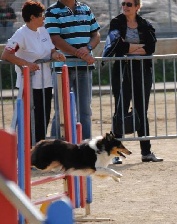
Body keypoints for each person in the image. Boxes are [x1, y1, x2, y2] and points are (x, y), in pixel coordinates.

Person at [103, 0, 162, 164]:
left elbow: (150, 47)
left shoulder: (145, 24)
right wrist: (136, 48)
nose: (125, 7)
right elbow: (116, 45)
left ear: (137, 7)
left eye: (129, 4)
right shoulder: (116, 22)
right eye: (123, 4)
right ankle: (115, 153)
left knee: (141, 110)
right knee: (120, 110)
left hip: (142, 71)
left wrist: (129, 48)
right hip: (122, 71)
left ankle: (146, 152)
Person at [1, 0, 65, 144]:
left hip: (46, 82)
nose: (44, 18)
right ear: (32, 17)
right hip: (29, 84)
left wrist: (56, 55)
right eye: (41, 15)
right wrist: (27, 64)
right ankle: (28, 151)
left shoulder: (43, 30)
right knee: (31, 119)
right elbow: (6, 55)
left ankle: (39, 150)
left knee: (44, 117)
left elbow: (51, 50)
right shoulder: (21, 34)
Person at [45, 0, 100, 140]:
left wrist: (88, 48)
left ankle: (85, 146)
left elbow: (96, 34)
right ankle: (56, 147)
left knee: (85, 111)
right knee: (61, 110)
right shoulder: (52, 11)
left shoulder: (86, 8)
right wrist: (80, 53)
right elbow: (55, 39)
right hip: (62, 69)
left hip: (84, 67)